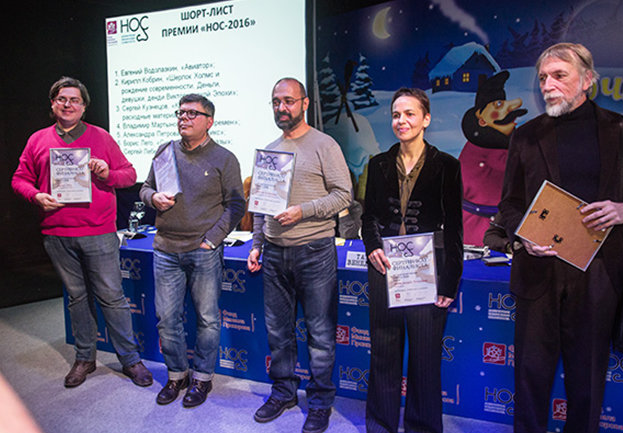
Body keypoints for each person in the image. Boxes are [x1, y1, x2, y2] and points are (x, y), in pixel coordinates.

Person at [498, 43, 623, 433]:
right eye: (543, 78)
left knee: (587, 379)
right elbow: (509, 205)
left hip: (598, 274)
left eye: (559, 75)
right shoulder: (526, 137)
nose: (548, 84)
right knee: (530, 376)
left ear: (587, 80)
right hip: (537, 271)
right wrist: (524, 236)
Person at [11, 76, 152, 388]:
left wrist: (107, 172)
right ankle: (85, 357)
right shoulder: (38, 140)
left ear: (84, 106)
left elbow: (129, 175)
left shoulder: (101, 137)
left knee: (112, 297)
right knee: (77, 298)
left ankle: (130, 359)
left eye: (74, 100)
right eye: (61, 99)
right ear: (52, 104)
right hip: (57, 234)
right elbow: (19, 179)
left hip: (98, 231)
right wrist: (35, 195)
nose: (68, 104)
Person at [247, 78, 351, 433]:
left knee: (320, 334)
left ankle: (319, 402)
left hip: (314, 251)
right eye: (276, 101)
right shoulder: (270, 150)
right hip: (275, 254)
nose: (281, 107)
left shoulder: (325, 145)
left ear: (304, 103)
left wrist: (302, 211)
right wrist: (257, 243)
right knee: (278, 331)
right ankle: (283, 392)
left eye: (288, 100)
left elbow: (344, 195)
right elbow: (260, 204)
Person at [361, 87, 463, 433]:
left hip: (428, 270)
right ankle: (380, 425)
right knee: (384, 349)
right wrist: (372, 245)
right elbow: (368, 217)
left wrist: (450, 281)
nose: (401, 121)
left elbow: (455, 227)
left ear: (426, 119)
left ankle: (422, 427)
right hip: (385, 268)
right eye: (395, 115)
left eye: (409, 114)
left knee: (424, 357)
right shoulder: (377, 164)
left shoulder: (447, 165)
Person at [140, 94, 245, 408]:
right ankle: (177, 375)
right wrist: (152, 198)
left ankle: (202, 378)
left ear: (209, 121)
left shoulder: (224, 158)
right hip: (165, 249)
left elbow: (236, 205)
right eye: (180, 113)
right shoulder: (165, 151)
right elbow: (145, 188)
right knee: (166, 319)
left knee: (207, 319)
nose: (183, 118)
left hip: (203, 251)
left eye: (191, 114)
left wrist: (212, 239)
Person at [459, 70, 527, 246]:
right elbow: (518, 166)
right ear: (481, 119)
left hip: (499, 224)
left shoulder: (499, 143)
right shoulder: (485, 147)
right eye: (497, 105)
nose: (507, 110)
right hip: (478, 227)